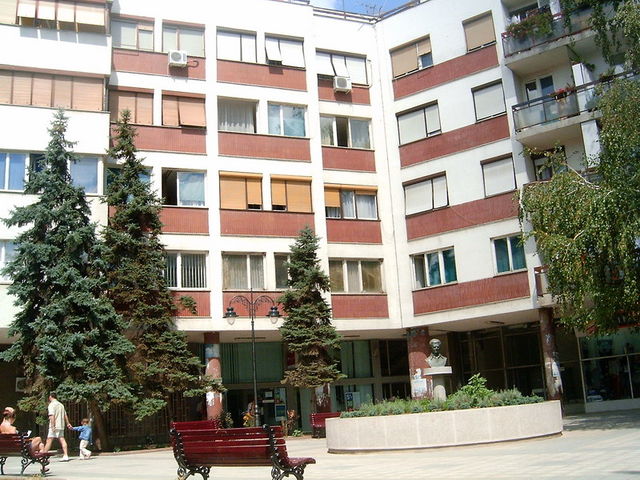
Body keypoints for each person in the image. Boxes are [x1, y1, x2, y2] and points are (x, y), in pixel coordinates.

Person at [43, 392, 71, 461]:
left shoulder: (51, 405)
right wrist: (68, 423)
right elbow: (65, 415)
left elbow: (52, 415)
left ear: (50, 397)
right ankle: (66, 455)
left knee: (49, 440)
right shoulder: (61, 405)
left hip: (54, 425)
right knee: (62, 439)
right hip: (61, 424)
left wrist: (53, 425)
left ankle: (43, 455)